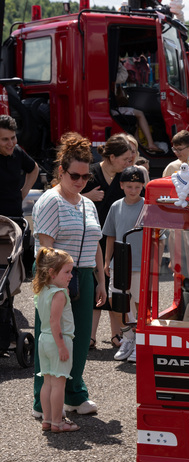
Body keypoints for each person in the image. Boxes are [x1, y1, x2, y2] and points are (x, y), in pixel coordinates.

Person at [32, 131, 106, 418]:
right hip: (58, 280)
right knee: (52, 337)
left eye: (86, 177)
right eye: (75, 176)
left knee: (79, 338)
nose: (80, 182)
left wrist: (101, 280)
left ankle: (74, 394)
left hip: (84, 276)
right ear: (61, 171)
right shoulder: (50, 201)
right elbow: (45, 248)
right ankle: (44, 403)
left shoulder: (87, 203)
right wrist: (54, 285)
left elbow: (96, 242)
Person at [82, 135, 134, 348]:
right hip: (93, 240)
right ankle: (90, 337)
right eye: (125, 159)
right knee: (94, 289)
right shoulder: (91, 173)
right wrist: (87, 195)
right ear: (112, 157)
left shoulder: (126, 176)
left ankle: (116, 336)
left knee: (115, 290)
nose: (129, 163)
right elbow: (67, 193)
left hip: (119, 240)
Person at [102, 166, 146, 363]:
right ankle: (128, 337)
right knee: (117, 302)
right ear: (121, 185)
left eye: (137, 186)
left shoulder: (148, 206)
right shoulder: (115, 206)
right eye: (129, 186)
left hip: (139, 263)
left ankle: (139, 342)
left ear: (143, 186)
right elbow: (110, 235)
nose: (133, 190)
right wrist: (106, 261)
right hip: (118, 263)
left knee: (138, 304)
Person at [33, 247, 80, 433]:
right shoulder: (59, 295)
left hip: (43, 340)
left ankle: (47, 419)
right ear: (52, 273)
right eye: (67, 272)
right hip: (57, 341)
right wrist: (62, 346)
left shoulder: (43, 291)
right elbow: (55, 322)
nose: (71, 276)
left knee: (48, 382)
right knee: (59, 384)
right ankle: (58, 422)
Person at [0, 114, 40, 272]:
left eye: (13, 137)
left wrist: (25, 191)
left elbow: (34, 168)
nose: (11, 143)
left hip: (14, 221)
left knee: (11, 273)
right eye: (5, 140)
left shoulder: (17, 153)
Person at [112, 60, 162, 154]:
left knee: (135, 117)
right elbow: (123, 76)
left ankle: (138, 142)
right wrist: (118, 64)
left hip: (112, 108)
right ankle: (150, 143)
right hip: (113, 110)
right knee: (139, 113)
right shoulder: (110, 75)